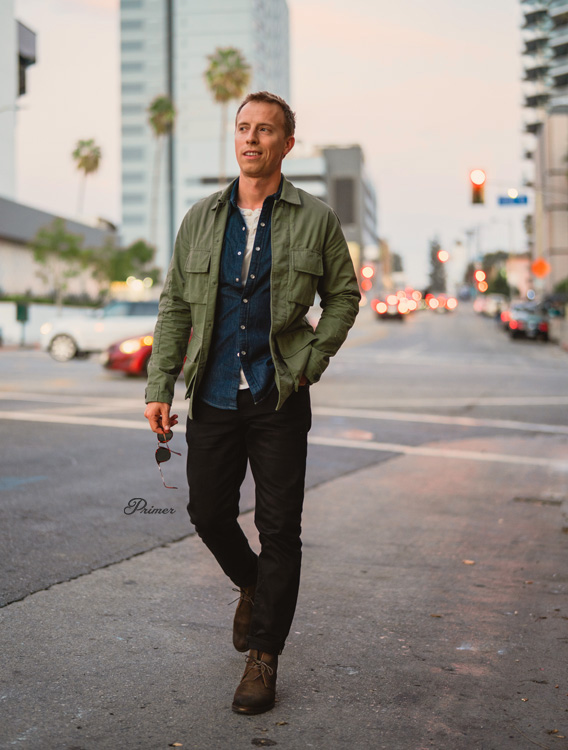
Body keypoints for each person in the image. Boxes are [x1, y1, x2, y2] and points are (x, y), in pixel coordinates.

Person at [144, 91, 360, 715]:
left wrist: (310, 364)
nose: (252, 139)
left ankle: (263, 657)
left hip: (278, 395)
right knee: (208, 514)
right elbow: (175, 306)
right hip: (212, 392)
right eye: (243, 128)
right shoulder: (200, 218)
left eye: (266, 130)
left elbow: (343, 297)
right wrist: (160, 386)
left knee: (280, 530)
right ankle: (251, 582)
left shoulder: (315, 218)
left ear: (287, 144)